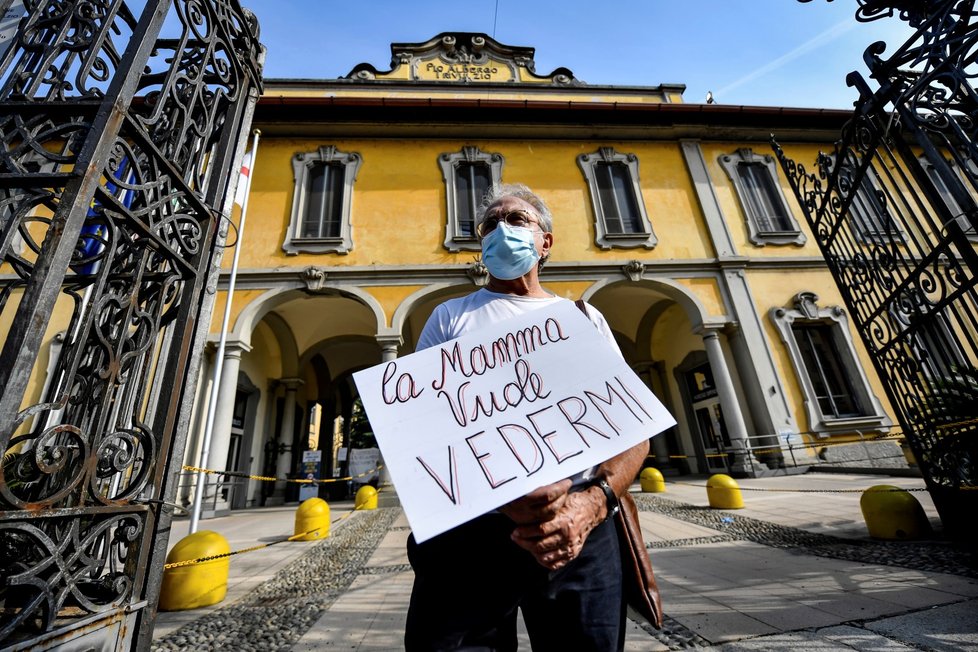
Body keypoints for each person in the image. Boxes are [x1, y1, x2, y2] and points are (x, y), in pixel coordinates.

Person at [405, 183, 650, 652]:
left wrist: (592, 505)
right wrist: (504, 502)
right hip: (473, 538)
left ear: (546, 241)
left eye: (515, 220)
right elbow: (421, 431)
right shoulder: (450, 318)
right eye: (489, 226)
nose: (500, 230)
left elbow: (634, 430)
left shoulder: (582, 317)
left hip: (579, 529)